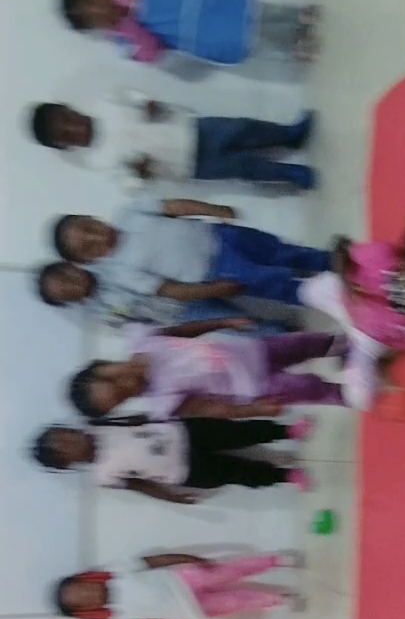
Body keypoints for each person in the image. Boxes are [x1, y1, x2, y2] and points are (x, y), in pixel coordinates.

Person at [35, 199, 331, 325]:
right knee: (273, 282)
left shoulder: (129, 212)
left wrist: (215, 209)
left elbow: (175, 206)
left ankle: (327, 261)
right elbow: (168, 289)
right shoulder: (122, 272)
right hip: (216, 270)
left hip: (221, 235)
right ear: (88, 260)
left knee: (279, 250)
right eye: (88, 247)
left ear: (91, 217)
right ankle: (325, 296)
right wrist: (212, 290)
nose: (96, 236)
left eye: (89, 227)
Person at [299, 200, 405, 407]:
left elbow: (395, 347)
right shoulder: (380, 257)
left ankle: (347, 345)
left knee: (361, 398)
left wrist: (379, 362)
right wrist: (346, 282)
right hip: (344, 301)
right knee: (309, 290)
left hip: (366, 339)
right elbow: (341, 248)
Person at [67, 319, 348, 421]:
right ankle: (349, 394)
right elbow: (211, 408)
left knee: (304, 343)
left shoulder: (143, 340)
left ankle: (347, 346)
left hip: (251, 350)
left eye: (115, 380)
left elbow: (185, 330)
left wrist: (224, 322)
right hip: (254, 384)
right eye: (122, 397)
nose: (127, 386)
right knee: (308, 387)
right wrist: (254, 410)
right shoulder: (162, 401)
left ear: (103, 365)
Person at [29, 98, 316, 191]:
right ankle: (292, 175)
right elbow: (130, 184)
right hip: (187, 165)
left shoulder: (106, 104)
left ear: (71, 109)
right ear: (67, 147)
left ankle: (290, 134)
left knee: (243, 129)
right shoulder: (98, 161)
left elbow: (138, 98)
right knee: (245, 168)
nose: (74, 127)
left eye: (68, 119)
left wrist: (151, 105)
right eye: (67, 134)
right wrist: (139, 173)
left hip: (189, 128)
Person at [60, 0, 320, 65]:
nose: (98, 8)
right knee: (250, 39)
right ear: (94, 26)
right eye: (91, 15)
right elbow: (151, 52)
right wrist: (126, 25)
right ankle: (292, 47)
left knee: (254, 9)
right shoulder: (122, 42)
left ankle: (297, 15)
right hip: (198, 33)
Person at [33, 415, 315, 497]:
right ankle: (285, 476)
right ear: (67, 463)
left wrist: (160, 416)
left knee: (238, 432)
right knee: (237, 473)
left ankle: (286, 430)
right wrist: (171, 496)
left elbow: (133, 420)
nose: (71, 439)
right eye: (64, 447)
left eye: (64, 433)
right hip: (183, 471)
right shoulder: (102, 475)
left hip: (184, 431)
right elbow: (138, 485)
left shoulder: (95, 425)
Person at [54, 550, 307, 619]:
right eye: (83, 600)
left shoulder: (116, 571)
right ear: (87, 610)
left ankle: (276, 561)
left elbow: (153, 561)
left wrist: (188, 558)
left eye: (83, 589)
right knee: (235, 602)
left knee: (230, 571)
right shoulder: (120, 615)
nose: (88, 594)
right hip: (188, 610)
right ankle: (279, 599)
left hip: (185, 579)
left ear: (86, 579)